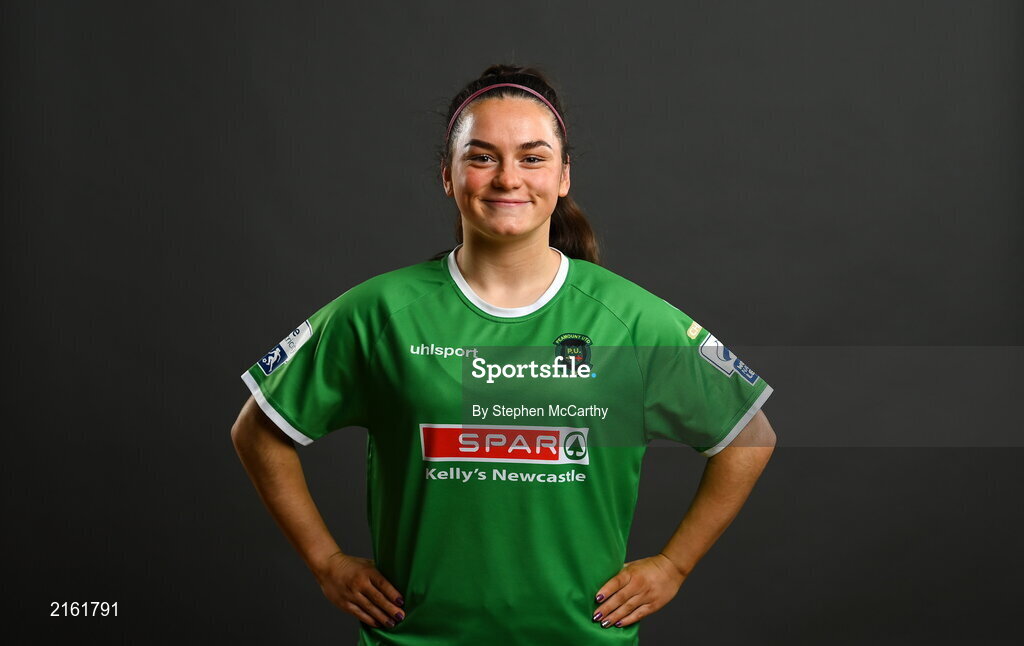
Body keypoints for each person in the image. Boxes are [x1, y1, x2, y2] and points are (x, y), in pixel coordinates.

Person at [231, 63, 777, 645]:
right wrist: (326, 562)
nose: (507, 178)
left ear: (564, 176)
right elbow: (258, 433)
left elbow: (750, 437)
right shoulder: (380, 312)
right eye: (482, 156)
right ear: (448, 174)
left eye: (533, 157)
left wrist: (673, 565)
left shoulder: (629, 320)